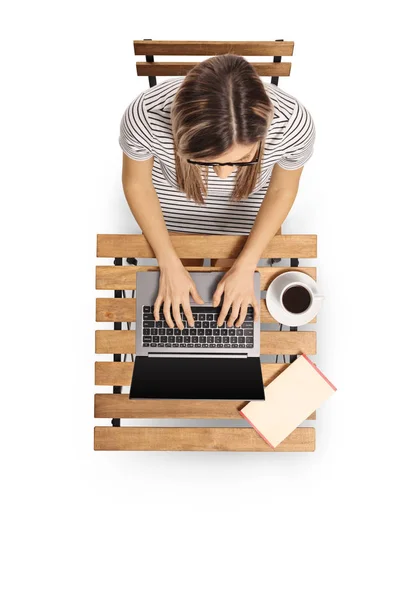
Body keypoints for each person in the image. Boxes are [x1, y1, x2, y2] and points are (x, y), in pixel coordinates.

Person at [119, 54, 316, 332]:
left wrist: (246, 265)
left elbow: (282, 188)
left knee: (232, 320)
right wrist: (168, 262)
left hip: (247, 220)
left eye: (243, 158)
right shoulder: (145, 115)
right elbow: (137, 184)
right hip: (174, 218)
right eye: (207, 162)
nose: (223, 176)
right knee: (175, 317)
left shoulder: (292, 123)